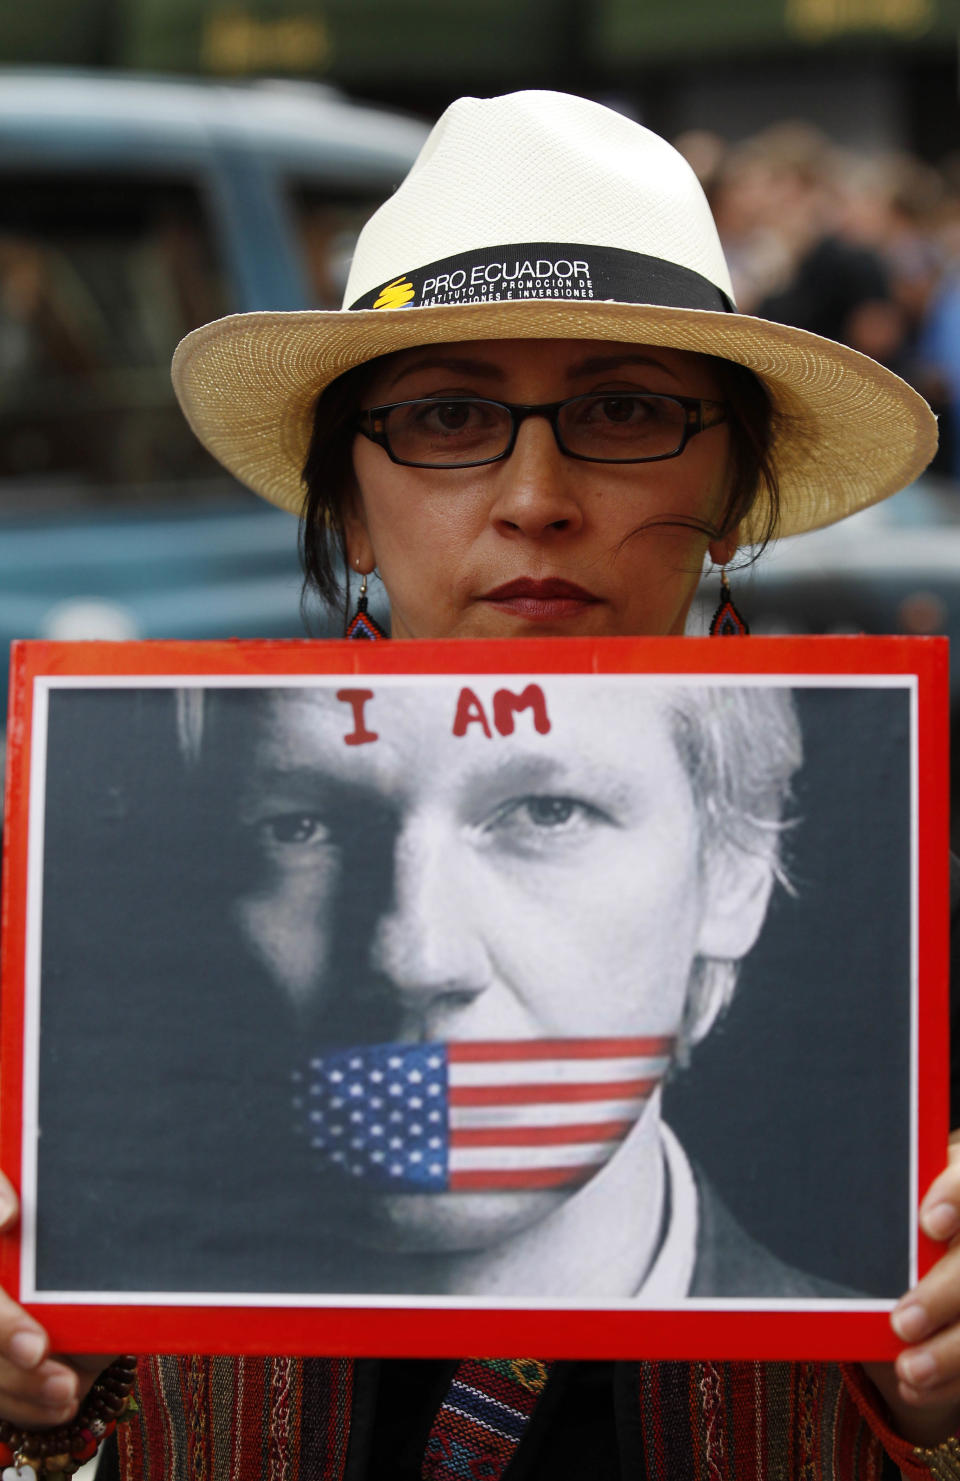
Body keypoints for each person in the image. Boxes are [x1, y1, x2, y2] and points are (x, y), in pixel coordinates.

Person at [0, 88, 956, 1480]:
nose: (534, 493)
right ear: (345, 508)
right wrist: (48, 1391)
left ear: (738, 488)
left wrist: (934, 1405)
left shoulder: (918, 959)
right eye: (448, 416)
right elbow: (68, 1406)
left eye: (624, 409)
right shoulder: (84, 940)